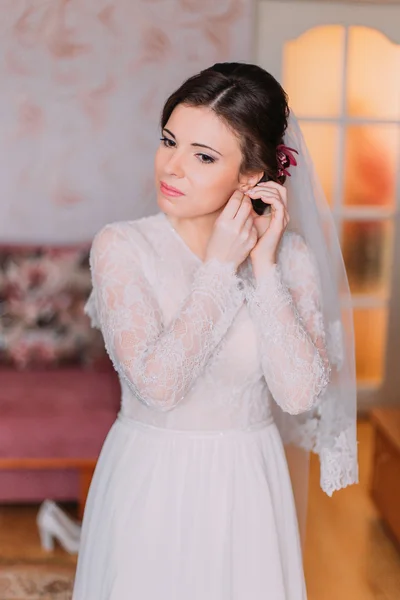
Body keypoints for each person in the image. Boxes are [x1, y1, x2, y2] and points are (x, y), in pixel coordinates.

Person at [71, 62, 358, 600]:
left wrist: (264, 266)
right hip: (152, 476)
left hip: (248, 480)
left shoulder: (289, 255)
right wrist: (220, 269)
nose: (171, 168)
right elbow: (157, 388)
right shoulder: (122, 247)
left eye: (202, 156)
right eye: (168, 141)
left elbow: (299, 396)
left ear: (251, 177)